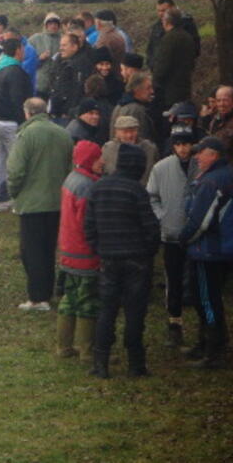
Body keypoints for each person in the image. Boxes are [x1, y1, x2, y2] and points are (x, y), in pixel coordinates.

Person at [84, 142, 160, 378]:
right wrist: (148, 253)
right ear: (137, 166)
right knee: (135, 312)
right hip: (136, 260)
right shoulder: (136, 190)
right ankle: (136, 364)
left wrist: (100, 249)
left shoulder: (98, 188)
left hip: (108, 259)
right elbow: (151, 228)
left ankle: (100, 364)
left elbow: (89, 227)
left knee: (107, 311)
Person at [180, 137, 233, 369]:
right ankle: (207, 343)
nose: (197, 157)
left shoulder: (212, 181)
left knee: (206, 301)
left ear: (214, 155)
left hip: (209, 250)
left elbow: (200, 221)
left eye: (201, 153)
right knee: (211, 298)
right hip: (228, 249)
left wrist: (183, 239)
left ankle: (213, 351)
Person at [7, 98, 74, 311]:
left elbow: (15, 170)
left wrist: (14, 192)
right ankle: (47, 291)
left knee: (32, 252)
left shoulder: (26, 135)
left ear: (27, 113)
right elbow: (70, 167)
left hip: (32, 203)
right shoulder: (63, 134)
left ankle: (37, 298)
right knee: (48, 249)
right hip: (57, 201)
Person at [147, 128, 196, 347]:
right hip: (171, 233)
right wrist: (162, 216)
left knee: (198, 281)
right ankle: (174, 323)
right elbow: (152, 196)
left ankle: (206, 328)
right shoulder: (161, 168)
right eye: (178, 144)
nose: (183, 149)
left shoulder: (200, 165)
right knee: (173, 280)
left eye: (186, 144)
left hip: (197, 235)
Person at [55, 140, 102, 361]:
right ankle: (87, 350)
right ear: (89, 159)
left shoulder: (71, 179)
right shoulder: (87, 186)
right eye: (98, 158)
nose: (102, 162)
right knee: (88, 301)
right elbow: (87, 223)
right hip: (85, 254)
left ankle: (64, 346)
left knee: (69, 299)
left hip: (68, 251)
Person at [0, 38, 34, 211]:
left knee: (1, 160)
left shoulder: (0, 69)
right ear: (17, 50)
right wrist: (24, 122)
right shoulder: (16, 72)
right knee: (17, 161)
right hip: (11, 123)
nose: (24, 52)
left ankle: (0, 196)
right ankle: (16, 197)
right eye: (22, 48)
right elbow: (18, 101)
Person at [151, 7, 196, 108]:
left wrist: (155, 82)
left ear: (166, 22)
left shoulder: (169, 39)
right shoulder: (188, 37)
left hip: (169, 90)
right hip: (185, 86)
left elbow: (163, 65)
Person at [147, 0, 200, 72]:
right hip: (158, 71)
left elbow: (195, 49)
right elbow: (150, 49)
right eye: (158, 11)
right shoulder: (157, 26)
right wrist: (152, 65)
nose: (161, 14)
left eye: (164, 10)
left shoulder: (186, 25)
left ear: (173, 8)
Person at [101, 115, 158, 186]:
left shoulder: (149, 148)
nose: (129, 135)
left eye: (133, 131)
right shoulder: (108, 148)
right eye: (125, 132)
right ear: (117, 132)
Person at [110, 71, 158, 146]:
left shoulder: (119, 106)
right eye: (148, 88)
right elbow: (141, 139)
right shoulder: (136, 110)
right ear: (137, 89)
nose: (152, 91)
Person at [48, 33, 88, 121]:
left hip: (67, 115)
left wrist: (68, 112)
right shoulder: (61, 62)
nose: (61, 48)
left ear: (74, 47)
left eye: (64, 45)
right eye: (60, 45)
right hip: (57, 112)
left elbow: (77, 92)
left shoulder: (78, 66)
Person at [29, 13, 62, 98]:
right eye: (50, 23)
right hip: (39, 84)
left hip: (56, 85)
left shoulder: (63, 40)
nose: (53, 26)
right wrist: (40, 59)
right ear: (46, 25)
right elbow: (27, 60)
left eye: (55, 24)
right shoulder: (35, 39)